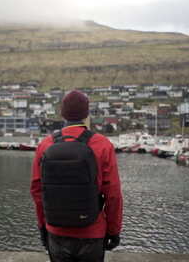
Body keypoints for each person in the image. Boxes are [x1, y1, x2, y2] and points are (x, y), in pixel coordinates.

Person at [30, 90, 123, 262]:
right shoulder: (102, 145)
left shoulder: (45, 145)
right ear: (86, 113)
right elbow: (113, 194)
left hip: (56, 232)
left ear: (62, 113)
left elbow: (37, 192)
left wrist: (43, 227)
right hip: (92, 232)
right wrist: (114, 231)